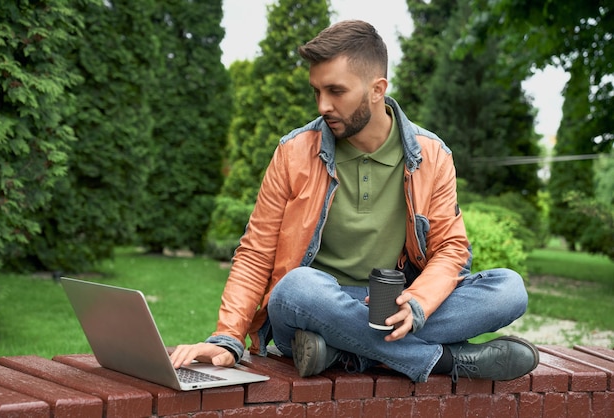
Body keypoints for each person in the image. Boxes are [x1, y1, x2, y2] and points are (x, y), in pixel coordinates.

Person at [170, 20, 539, 383]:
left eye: (335, 91)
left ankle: (343, 353)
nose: (322, 105)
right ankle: (445, 360)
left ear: (377, 89)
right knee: (296, 287)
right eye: (316, 91)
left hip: (390, 304)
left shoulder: (432, 155)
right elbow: (255, 253)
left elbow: (451, 249)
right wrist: (228, 338)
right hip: (312, 306)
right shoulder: (293, 152)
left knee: (507, 289)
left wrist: (417, 303)